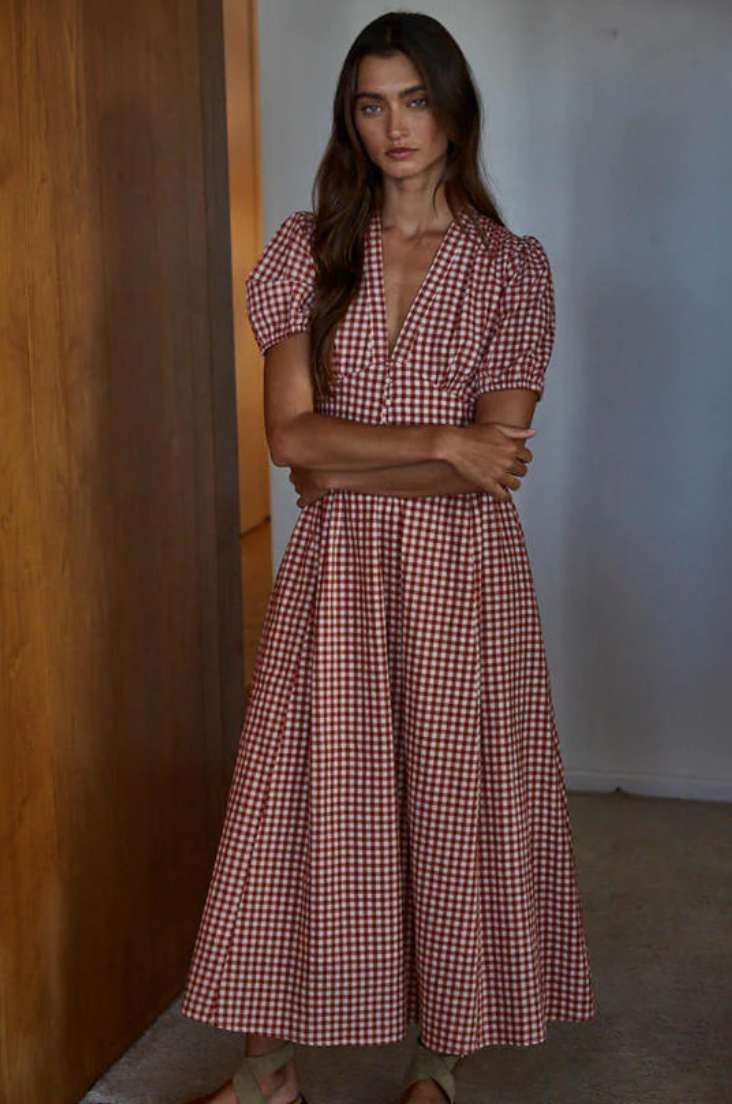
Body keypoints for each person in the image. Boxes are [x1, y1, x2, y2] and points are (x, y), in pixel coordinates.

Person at [181, 12, 594, 1104]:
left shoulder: (512, 268)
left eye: (414, 99)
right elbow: (290, 439)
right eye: (372, 104)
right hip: (337, 581)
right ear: (350, 119)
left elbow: (495, 464)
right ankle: (266, 1073)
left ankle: (438, 1068)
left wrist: (365, 464)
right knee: (299, 806)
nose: (395, 126)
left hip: (463, 582)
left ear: (454, 110)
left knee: (453, 809)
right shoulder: (307, 248)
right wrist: (441, 443)